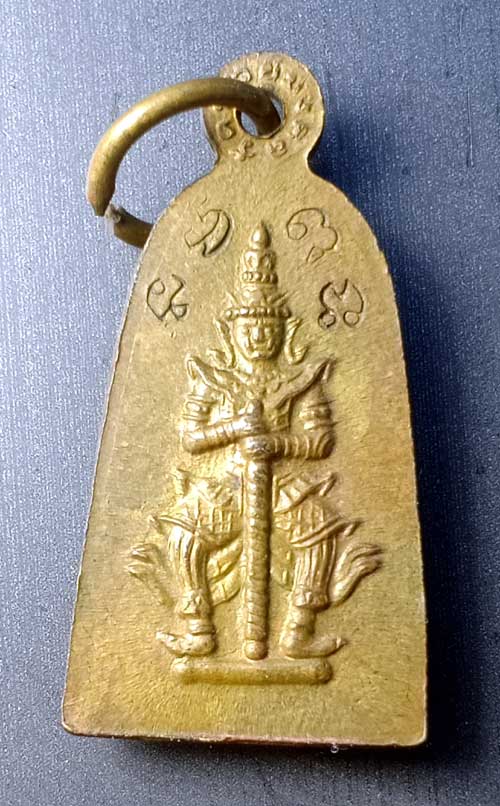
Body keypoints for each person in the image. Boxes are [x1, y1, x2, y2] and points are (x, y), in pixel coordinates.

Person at [155, 223, 349, 659]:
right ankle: (199, 629)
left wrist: (278, 445)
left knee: (321, 528)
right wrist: (234, 430)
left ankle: (298, 631)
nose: (259, 337)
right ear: (232, 333)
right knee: (183, 532)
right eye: (249, 329)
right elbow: (190, 438)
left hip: (281, 486)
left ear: (284, 332)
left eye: (268, 329)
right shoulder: (212, 379)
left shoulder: (302, 380)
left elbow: (320, 442)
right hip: (232, 484)